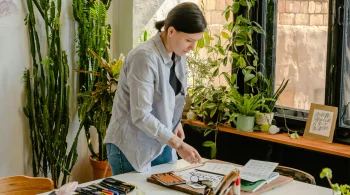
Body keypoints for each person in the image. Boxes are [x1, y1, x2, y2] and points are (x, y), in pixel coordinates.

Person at [104, 2, 207, 175]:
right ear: (171, 31)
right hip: (133, 146)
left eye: (196, 41)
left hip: (162, 141)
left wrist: (175, 122)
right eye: (189, 40)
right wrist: (179, 144)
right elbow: (141, 115)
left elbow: (172, 95)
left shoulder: (178, 54)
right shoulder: (144, 58)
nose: (193, 48)